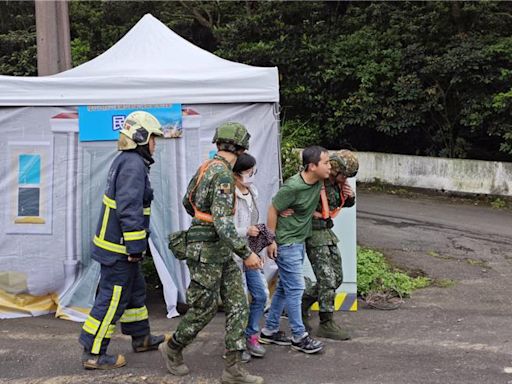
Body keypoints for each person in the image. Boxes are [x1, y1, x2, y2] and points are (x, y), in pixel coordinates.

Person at [159, 122, 264, 384]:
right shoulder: (224, 176)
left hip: (219, 249)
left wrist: (203, 222)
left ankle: (234, 369)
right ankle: (172, 348)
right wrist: (246, 253)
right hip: (208, 251)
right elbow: (223, 222)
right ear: (241, 147)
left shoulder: (205, 168)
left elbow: (188, 202)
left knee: (239, 304)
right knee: (203, 310)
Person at [79, 111, 166, 370]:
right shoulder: (133, 165)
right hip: (120, 248)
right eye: (153, 138)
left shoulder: (127, 161)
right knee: (112, 298)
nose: (155, 144)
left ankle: (141, 338)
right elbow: (129, 209)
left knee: (135, 291)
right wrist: (135, 247)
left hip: (119, 245)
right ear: (141, 138)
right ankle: (93, 352)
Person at [259, 146, 330, 354]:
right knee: (296, 288)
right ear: (312, 166)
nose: (329, 166)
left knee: (283, 288)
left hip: (299, 240)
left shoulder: (319, 180)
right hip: (286, 242)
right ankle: (299, 336)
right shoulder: (292, 187)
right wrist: (270, 240)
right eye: (325, 162)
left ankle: (269, 330)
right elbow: (273, 209)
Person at [302, 150, 359, 340]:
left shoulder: (337, 183)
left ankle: (302, 303)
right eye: (344, 175)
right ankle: (326, 323)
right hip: (313, 233)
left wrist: (349, 196)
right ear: (336, 169)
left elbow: (341, 203)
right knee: (327, 278)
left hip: (327, 232)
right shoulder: (316, 181)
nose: (345, 179)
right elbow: (298, 203)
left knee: (337, 277)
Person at [232, 153, 269, 361]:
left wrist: (267, 239)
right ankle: (235, 345)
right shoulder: (228, 194)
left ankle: (251, 336)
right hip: (235, 255)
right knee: (238, 302)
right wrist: (246, 230)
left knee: (261, 295)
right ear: (236, 174)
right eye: (248, 171)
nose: (252, 174)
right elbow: (223, 227)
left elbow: (259, 221)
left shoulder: (252, 191)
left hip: (251, 254)